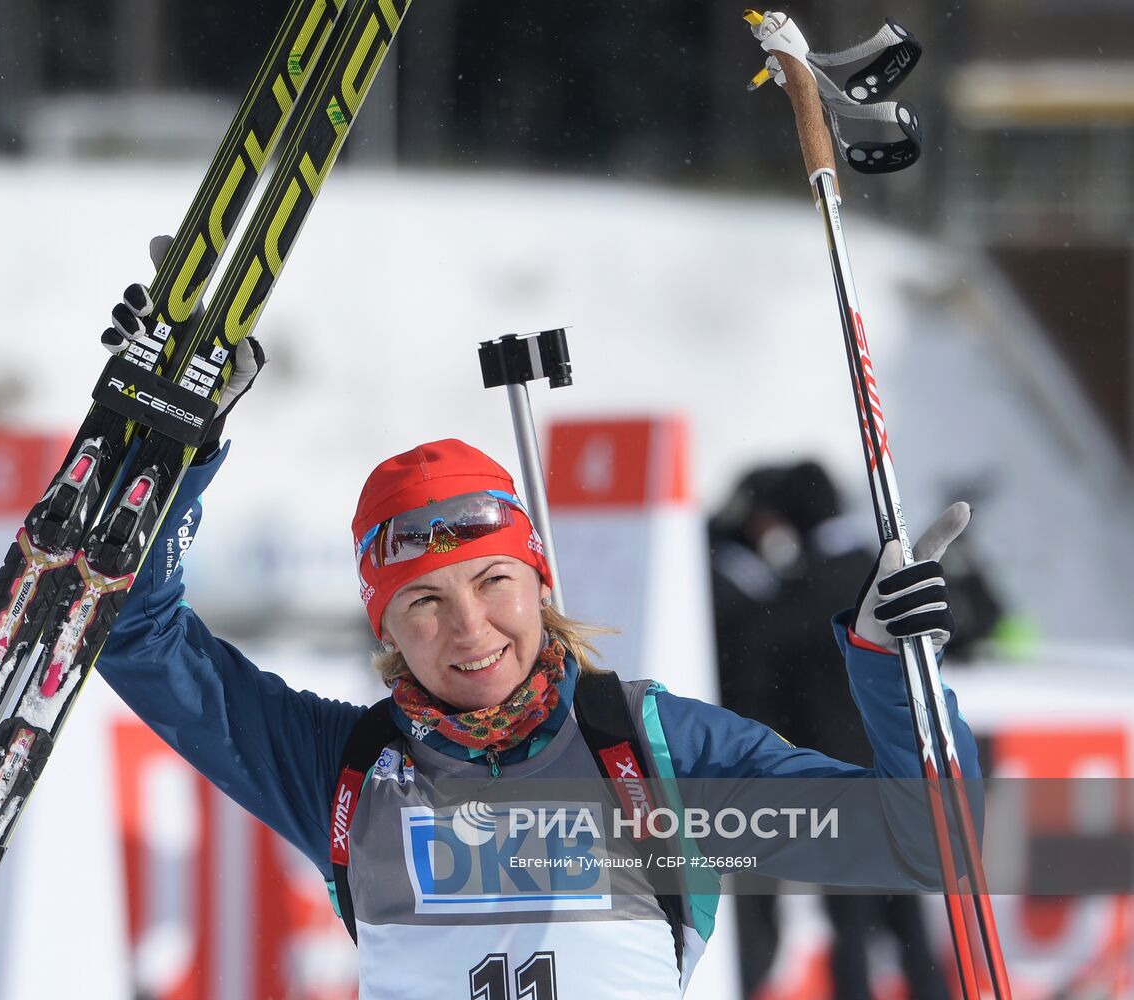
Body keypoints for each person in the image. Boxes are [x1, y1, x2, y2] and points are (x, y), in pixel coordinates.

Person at [95, 271, 984, 999]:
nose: (470, 629)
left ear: (538, 582)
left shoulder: (657, 753)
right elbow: (133, 633)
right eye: (423, 603)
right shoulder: (345, 769)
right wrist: (176, 441)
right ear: (386, 628)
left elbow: (925, 842)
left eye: (492, 583)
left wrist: (890, 665)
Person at [710, 462, 954, 1000]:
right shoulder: (872, 567)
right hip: (898, 766)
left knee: (852, 919)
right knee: (902, 915)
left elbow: (761, 635)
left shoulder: (818, 582)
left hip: (843, 773)